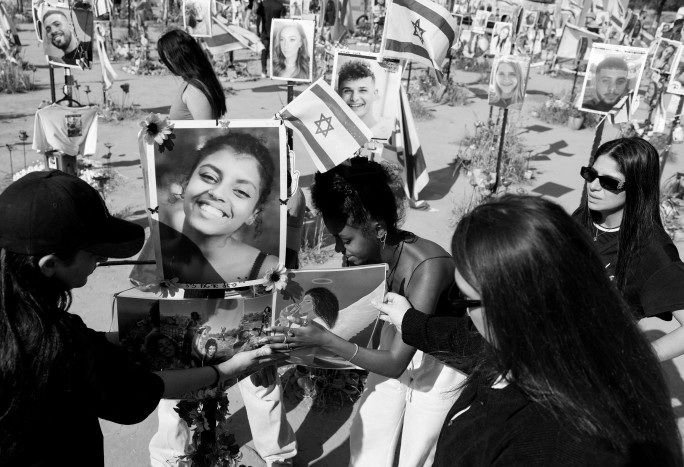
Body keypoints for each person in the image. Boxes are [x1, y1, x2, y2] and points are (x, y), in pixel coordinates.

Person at [0, 170, 284, 467]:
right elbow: (136, 390)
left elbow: (94, 347)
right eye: (95, 252)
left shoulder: (12, 312)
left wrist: (146, 332)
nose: (101, 260)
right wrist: (227, 369)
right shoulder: (56, 348)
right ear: (50, 264)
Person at [370, 195, 683, 466]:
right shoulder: (533, 344)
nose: (463, 310)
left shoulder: (561, 439)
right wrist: (409, 320)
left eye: (463, 298)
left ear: (514, 304)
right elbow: (465, 337)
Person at [265, 158, 466, 467]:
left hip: (440, 363)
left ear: (379, 229)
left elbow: (396, 363)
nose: (337, 250)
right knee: (369, 432)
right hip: (396, 342)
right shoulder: (366, 254)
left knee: (419, 451)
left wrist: (325, 340)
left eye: (344, 240)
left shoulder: (428, 268)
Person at [574, 137, 684, 361]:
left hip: (589, 368)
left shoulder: (652, 250)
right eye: (590, 174)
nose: (594, 186)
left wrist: (633, 360)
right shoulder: (584, 217)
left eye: (609, 183)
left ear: (637, 188)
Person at [161, 133, 279, 285]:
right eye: (209, 177)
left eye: (241, 192)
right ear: (185, 184)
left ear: (254, 213)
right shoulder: (156, 255)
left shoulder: (268, 271)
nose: (217, 193)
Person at [157, 29, 227, 120]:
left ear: (177, 58)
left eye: (165, 59)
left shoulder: (195, 90)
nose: (164, 64)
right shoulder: (191, 83)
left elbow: (206, 132)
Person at [337, 60, 394, 139]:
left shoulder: (390, 134)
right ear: (338, 94)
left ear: (375, 94)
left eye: (362, 90)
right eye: (347, 91)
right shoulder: (334, 132)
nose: (354, 98)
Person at [259, 0, 283, 77]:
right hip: (276, 31)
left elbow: (258, 19)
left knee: (264, 52)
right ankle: (275, 71)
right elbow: (282, 20)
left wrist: (257, 31)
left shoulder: (263, 4)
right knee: (276, 52)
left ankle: (264, 71)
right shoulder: (279, 5)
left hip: (265, 32)